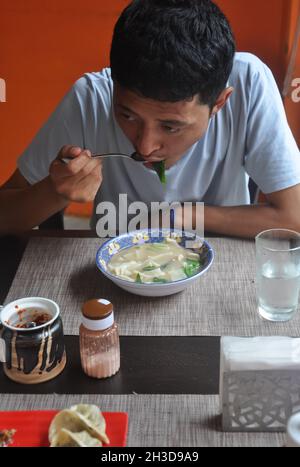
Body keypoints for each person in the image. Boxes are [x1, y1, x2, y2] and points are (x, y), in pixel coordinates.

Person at [1, 0, 300, 238]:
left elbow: (294, 217)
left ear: (219, 102)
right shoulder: (91, 98)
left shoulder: (249, 81)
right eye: (127, 114)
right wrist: (54, 191)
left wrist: (181, 215)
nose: (145, 147)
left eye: (170, 126)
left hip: (221, 267)